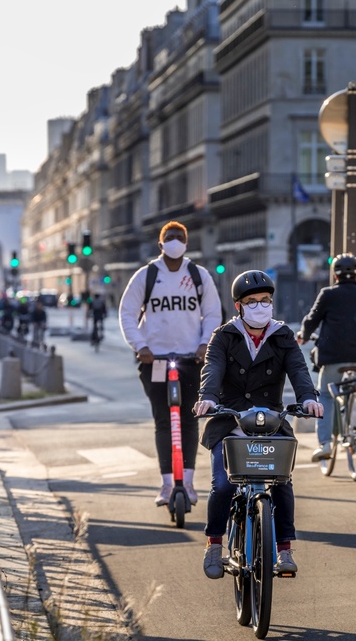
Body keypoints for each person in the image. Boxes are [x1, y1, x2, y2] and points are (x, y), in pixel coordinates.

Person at [193, 270, 322, 579]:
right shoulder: (224, 336)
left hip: (270, 422)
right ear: (239, 306)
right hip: (228, 421)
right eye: (252, 302)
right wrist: (208, 397)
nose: (260, 306)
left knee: (282, 484)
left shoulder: (282, 335)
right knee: (223, 486)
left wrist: (308, 398)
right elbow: (212, 367)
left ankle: (284, 550)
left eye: (265, 300)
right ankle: (214, 545)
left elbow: (299, 369)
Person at [119, 221, 222, 506]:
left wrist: (205, 344)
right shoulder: (147, 275)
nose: (175, 241)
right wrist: (141, 347)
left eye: (180, 237)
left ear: (187, 243)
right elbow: (127, 313)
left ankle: (187, 483)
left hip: (191, 360)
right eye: (170, 237)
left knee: (189, 420)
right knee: (164, 421)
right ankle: (167, 484)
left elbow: (213, 313)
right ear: (161, 243)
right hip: (155, 361)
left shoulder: (198, 275)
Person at [296, 253, 356, 462]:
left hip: (333, 356)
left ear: (335, 275)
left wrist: (304, 335)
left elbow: (311, 320)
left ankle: (325, 443)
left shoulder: (327, 294)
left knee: (326, 395)